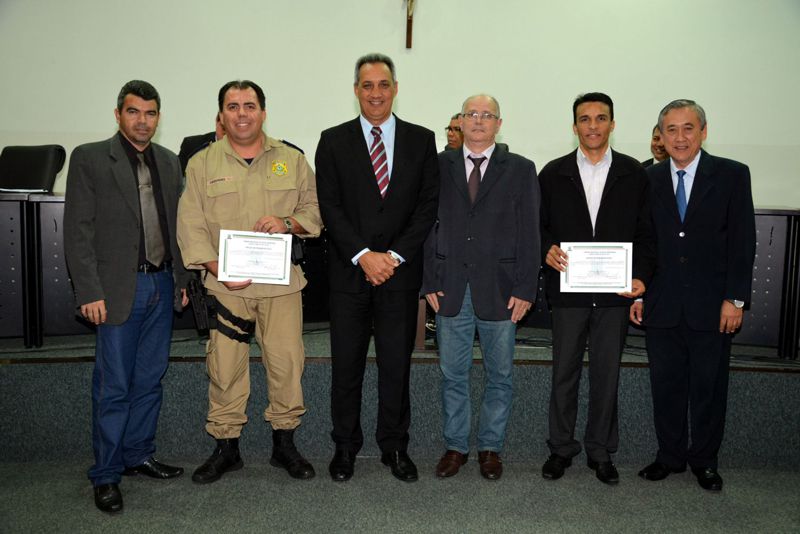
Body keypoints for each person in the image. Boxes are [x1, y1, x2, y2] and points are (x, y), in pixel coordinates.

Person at [177, 80, 322, 484]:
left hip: (280, 287)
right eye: (233, 106)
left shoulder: (291, 159)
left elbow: (313, 212)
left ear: (263, 112)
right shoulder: (201, 163)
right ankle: (226, 448)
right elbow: (190, 224)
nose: (242, 113)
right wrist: (215, 267)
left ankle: (285, 445)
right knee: (224, 366)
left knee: (286, 363)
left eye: (250, 105)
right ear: (221, 115)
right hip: (226, 288)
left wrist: (287, 223)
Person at [64, 80, 190, 514]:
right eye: (134, 112)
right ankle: (106, 474)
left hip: (161, 284)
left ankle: (138, 454)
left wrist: (183, 280)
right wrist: (89, 291)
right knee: (113, 385)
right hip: (117, 290)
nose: (143, 121)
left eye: (151, 113)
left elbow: (178, 228)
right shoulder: (91, 157)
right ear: (118, 114)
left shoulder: (171, 162)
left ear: (159, 116)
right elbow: (77, 229)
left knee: (149, 380)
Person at [315, 53, 439, 483]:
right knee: (346, 366)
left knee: (395, 366)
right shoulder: (332, 141)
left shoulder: (422, 141)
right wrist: (363, 255)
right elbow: (329, 205)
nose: (375, 93)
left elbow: (426, 208)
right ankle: (345, 447)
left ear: (395, 88)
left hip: (399, 276)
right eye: (367, 85)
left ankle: (394, 447)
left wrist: (394, 257)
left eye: (383, 84)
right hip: (349, 275)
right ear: (356, 91)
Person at [631, 99, 756, 492]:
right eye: (671, 129)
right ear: (661, 136)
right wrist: (637, 292)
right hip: (661, 303)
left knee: (708, 387)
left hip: (713, 305)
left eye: (688, 128)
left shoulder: (733, 175)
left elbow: (743, 241)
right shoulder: (645, 179)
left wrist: (735, 299)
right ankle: (669, 456)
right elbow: (642, 241)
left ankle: (704, 460)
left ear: (703, 131)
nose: (680, 137)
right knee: (665, 386)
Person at [539, 92, 655, 485]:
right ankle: (560, 449)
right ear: (574, 126)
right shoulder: (552, 173)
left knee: (607, 374)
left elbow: (647, 233)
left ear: (612, 124)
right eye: (585, 119)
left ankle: (601, 451)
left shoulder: (633, 174)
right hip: (568, 292)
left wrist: (641, 277)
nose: (592, 126)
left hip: (615, 296)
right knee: (564, 373)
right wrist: (546, 249)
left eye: (600, 118)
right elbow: (538, 227)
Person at [422, 95, 540, 480]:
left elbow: (530, 232)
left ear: (498, 123)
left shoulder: (521, 169)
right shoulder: (437, 166)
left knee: (500, 375)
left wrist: (526, 288)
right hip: (449, 287)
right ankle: (455, 447)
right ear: (459, 121)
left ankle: (491, 447)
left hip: (502, 290)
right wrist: (427, 282)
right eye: (471, 114)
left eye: (486, 115)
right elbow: (422, 227)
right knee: (452, 374)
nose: (478, 120)